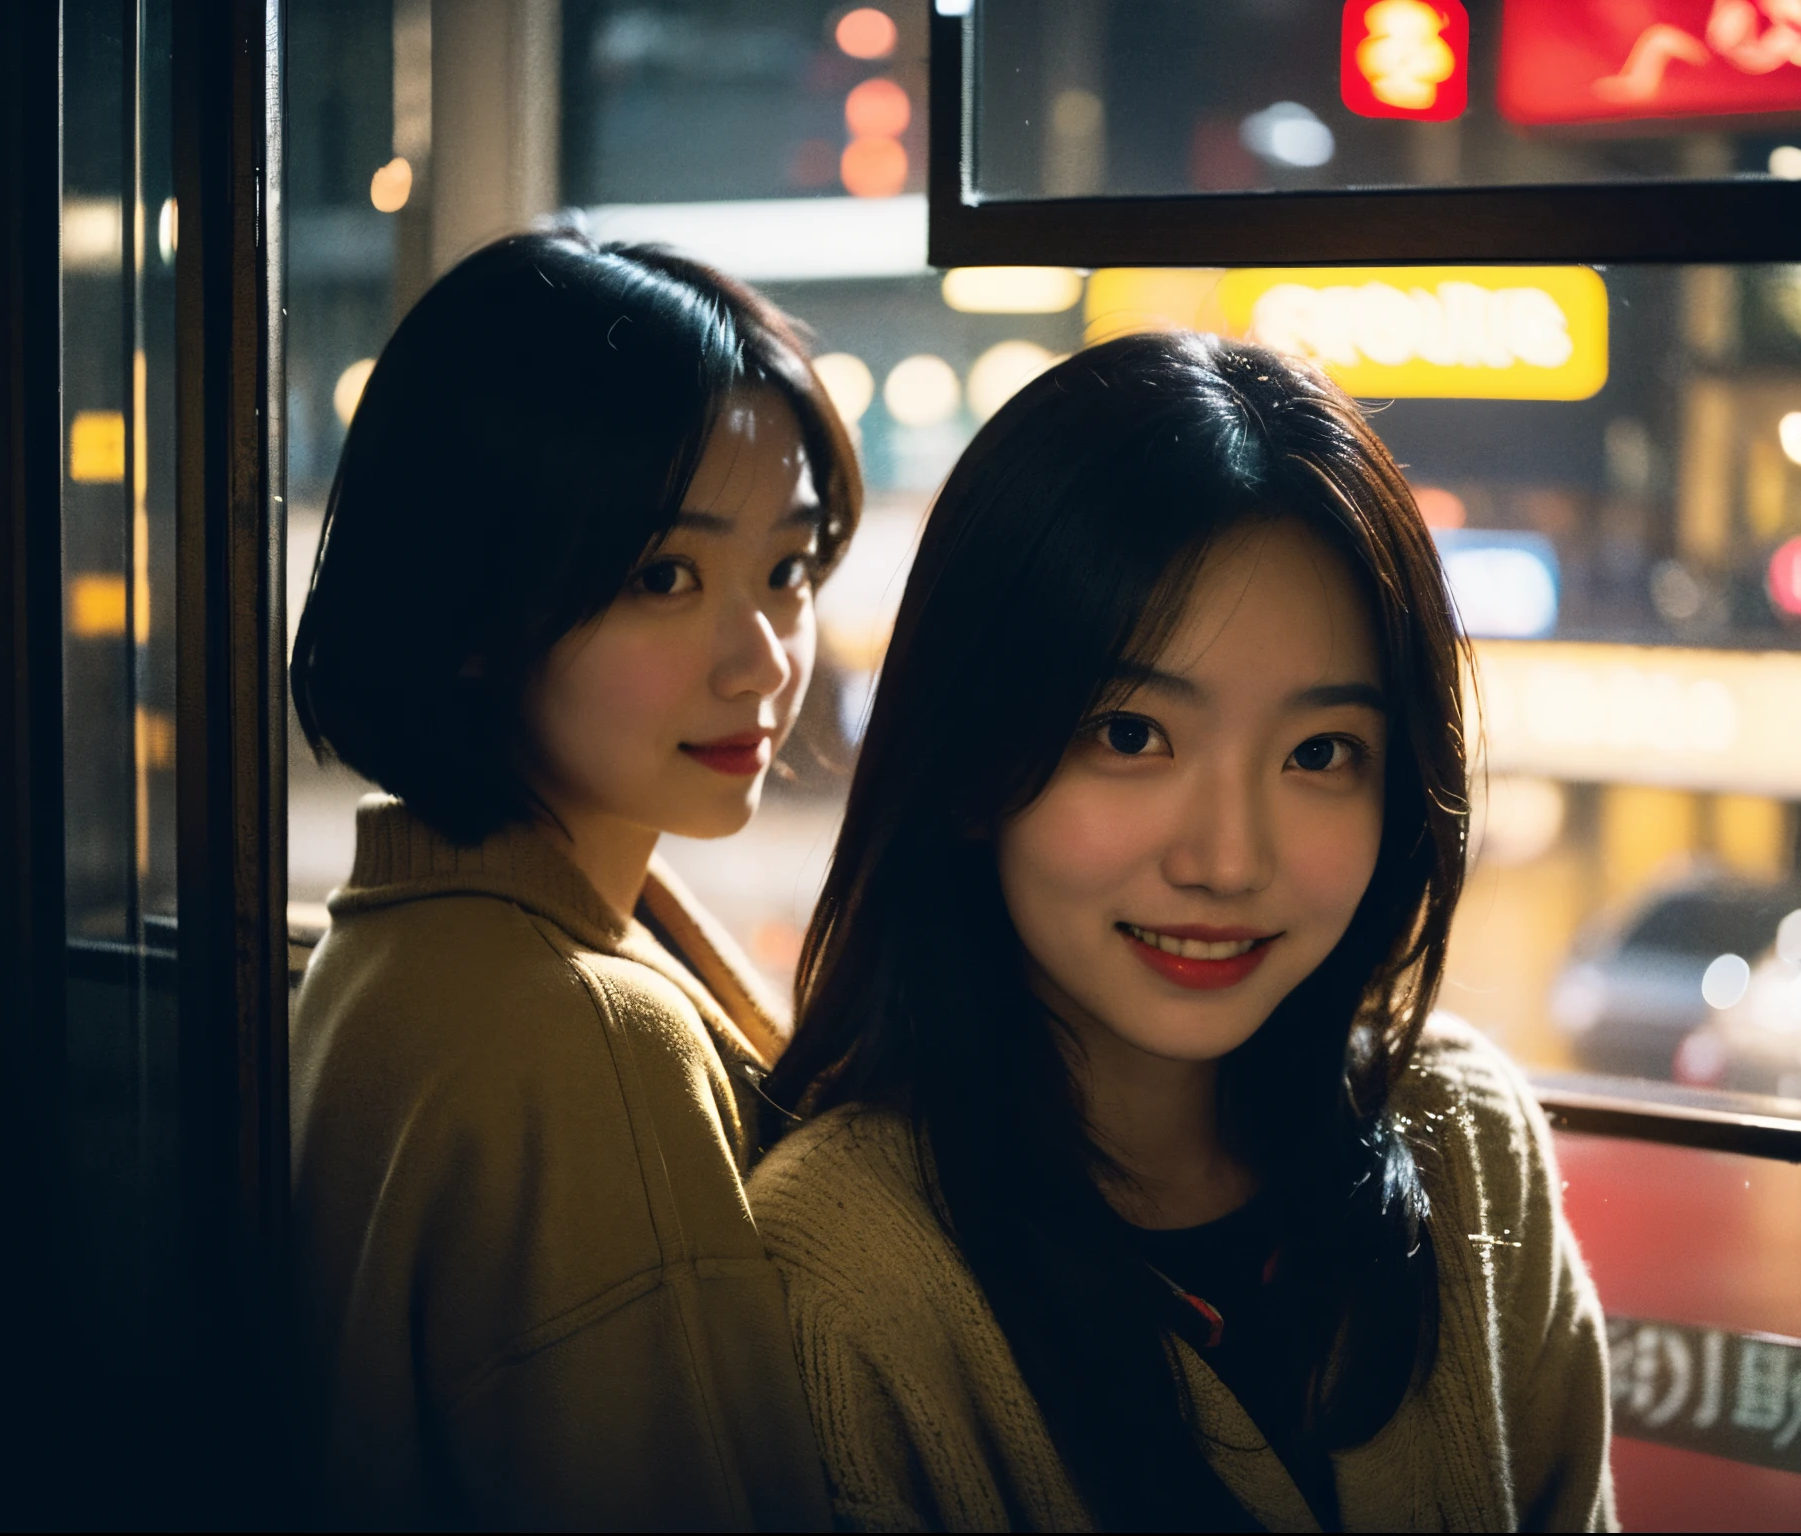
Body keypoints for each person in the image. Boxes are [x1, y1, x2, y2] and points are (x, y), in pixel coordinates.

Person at [748, 332, 1614, 1532]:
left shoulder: (1461, 1137)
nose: (1224, 860)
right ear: (965, 758)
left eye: (1318, 754)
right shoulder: (840, 1276)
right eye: (1129, 734)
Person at [288, 229, 853, 1529]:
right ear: (476, 602)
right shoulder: (580, 1034)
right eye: (664, 576)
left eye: (787, 568)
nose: (762, 659)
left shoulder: (407, 942)